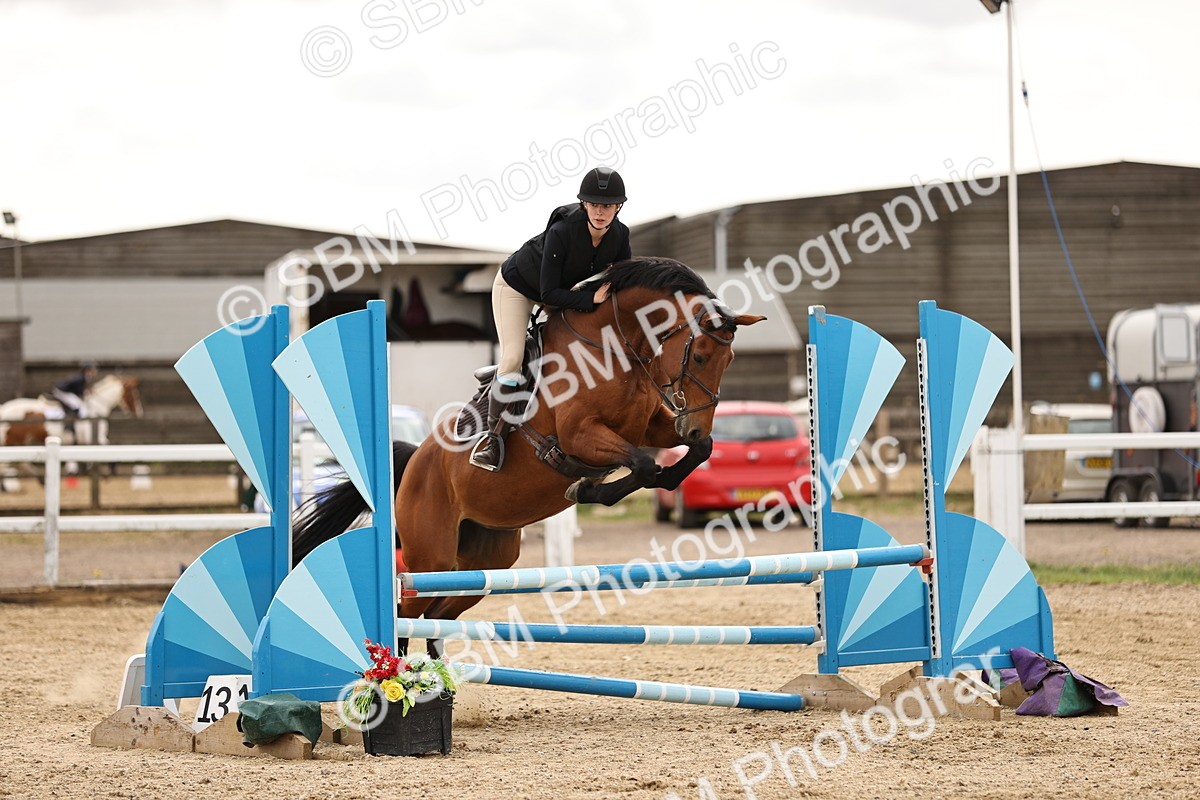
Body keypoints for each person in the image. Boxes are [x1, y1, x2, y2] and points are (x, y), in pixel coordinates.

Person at [470, 166, 632, 471]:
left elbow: (619, 282)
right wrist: (590, 299)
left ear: (618, 207)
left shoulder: (620, 235)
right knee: (514, 357)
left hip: (564, 291)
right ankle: (492, 439)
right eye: (594, 205)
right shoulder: (562, 231)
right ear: (584, 204)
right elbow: (549, 293)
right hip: (517, 288)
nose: (600, 212)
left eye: (608, 206)